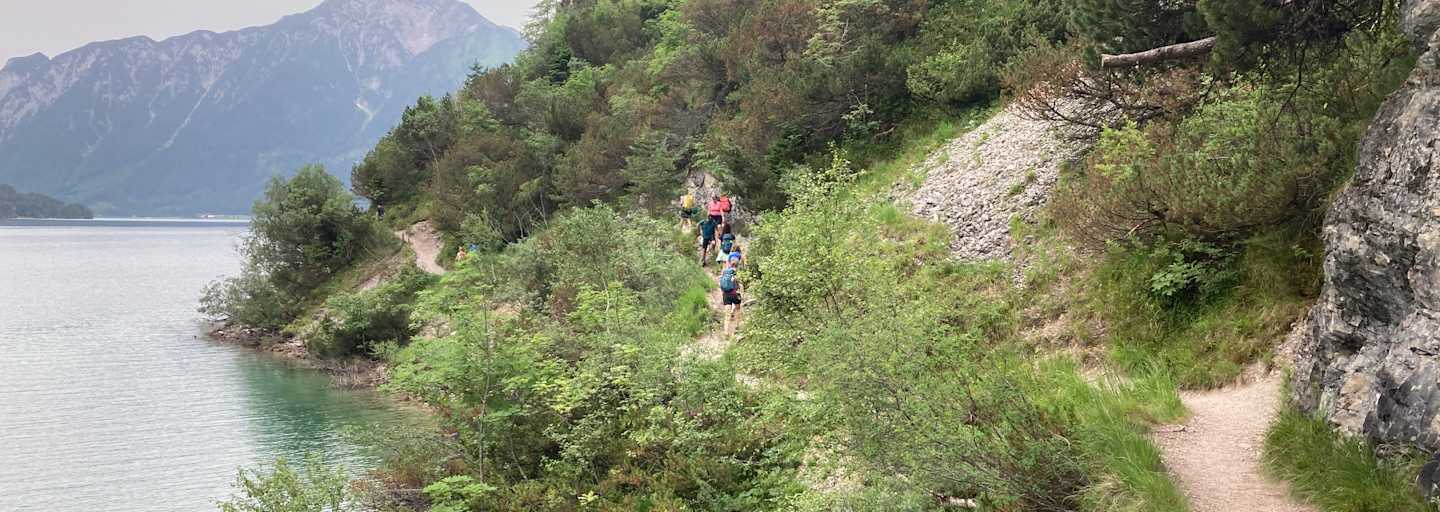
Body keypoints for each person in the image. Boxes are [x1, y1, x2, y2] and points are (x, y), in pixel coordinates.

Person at [719, 262, 742, 331]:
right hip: (735, 294)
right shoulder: (735, 276)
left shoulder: (723, 276)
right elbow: (739, 287)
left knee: (727, 315)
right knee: (738, 309)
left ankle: (726, 332)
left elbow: (721, 288)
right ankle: (737, 326)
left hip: (726, 295)